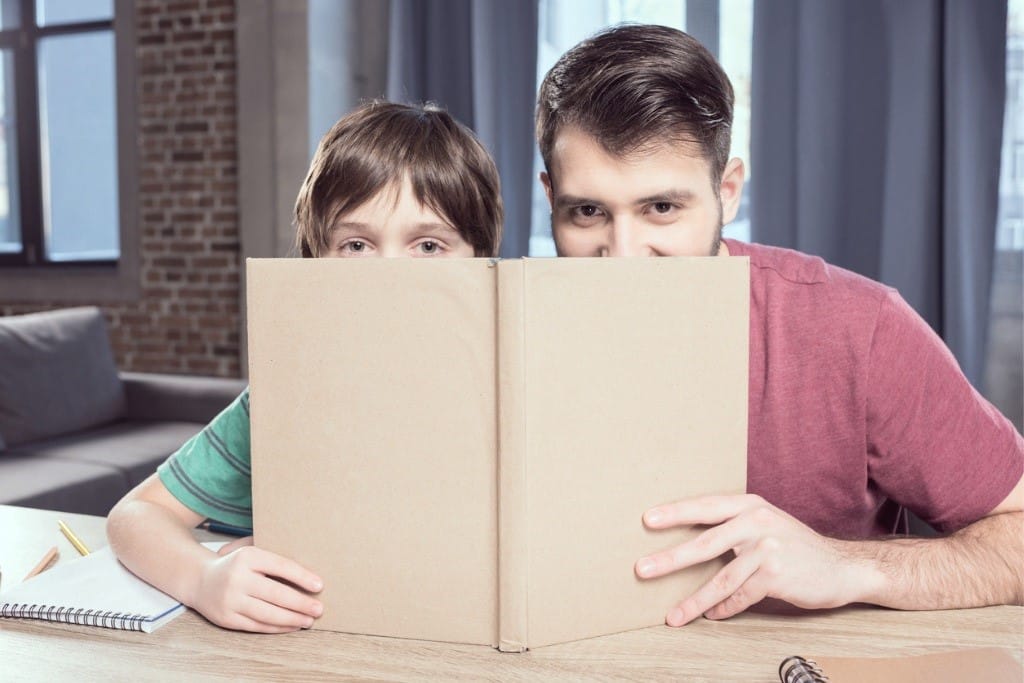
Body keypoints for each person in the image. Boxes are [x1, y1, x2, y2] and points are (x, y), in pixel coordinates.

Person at [535, 24, 1023, 626]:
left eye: (662, 208)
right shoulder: (510, 334)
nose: (625, 256)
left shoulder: (859, 329)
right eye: (587, 212)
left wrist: (850, 566)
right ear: (550, 198)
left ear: (728, 191)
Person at [107, 100, 503, 633]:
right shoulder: (282, 402)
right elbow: (134, 517)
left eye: (428, 245)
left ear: (483, 260)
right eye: (357, 244)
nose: (387, 277)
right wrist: (204, 578)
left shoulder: (506, 392)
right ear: (317, 258)